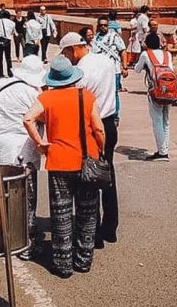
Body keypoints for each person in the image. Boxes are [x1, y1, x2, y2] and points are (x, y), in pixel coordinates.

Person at [24, 55, 105, 278]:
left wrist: (40, 143)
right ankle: (83, 259)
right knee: (87, 211)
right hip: (86, 159)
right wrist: (100, 150)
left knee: (61, 212)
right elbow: (98, 129)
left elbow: (28, 119)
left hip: (59, 161)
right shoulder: (87, 96)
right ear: (72, 77)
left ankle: (63, 263)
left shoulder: (46, 97)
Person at [0, 55, 46, 259]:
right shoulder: (34, 93)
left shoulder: (0, 85)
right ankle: (24, 242)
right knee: (25, 198)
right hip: (23, 149)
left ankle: (0, 237)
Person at [59, 32, 120, 247]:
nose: (67, 58)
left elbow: (76, 99)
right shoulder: (106, 61)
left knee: (90, 178)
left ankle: (92, 234)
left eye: (66, 54)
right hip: (110, 122)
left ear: (73, 49)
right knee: (107, 174)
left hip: (92, 126)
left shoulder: (82, 70)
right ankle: (110, 228)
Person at [133, 33, 173, 161]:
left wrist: (146, 66)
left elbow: (137, 69)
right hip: (169, 91)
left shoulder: (146, 54)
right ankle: (164, 148)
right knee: (166, 121)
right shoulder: (168, 54)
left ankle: (162, 153)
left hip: (155, 91)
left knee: (157, 121)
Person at [92, 16, 128, 96]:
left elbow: (123, 51)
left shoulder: (114, 36)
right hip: (100, 71)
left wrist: (125, 68)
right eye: (101, 25)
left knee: (114, 94)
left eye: (105, 25)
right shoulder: (94, 39)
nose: (103, 27)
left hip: (114, 70)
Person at [0, 10, 16, 78]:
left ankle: (0, 73)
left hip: (0, 40)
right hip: (7, 41)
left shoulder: (0, 21)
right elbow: (12, 33)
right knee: (8, 58)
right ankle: (10, 73)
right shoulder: (12, 23)